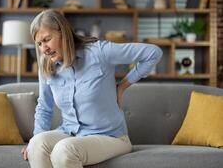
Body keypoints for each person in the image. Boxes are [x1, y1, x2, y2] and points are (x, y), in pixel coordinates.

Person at [21, 9, 163, 168]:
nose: (44, 49)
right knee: (35, 144)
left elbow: (153, 53)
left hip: (110, 137)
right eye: (39, 43)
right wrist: (34, 140)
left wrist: (122, 86)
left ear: (64, 33)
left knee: (65, 150)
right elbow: (44, 107)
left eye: (47, 39)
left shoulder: (99, 52)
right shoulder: (46, 65)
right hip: (69, 132)